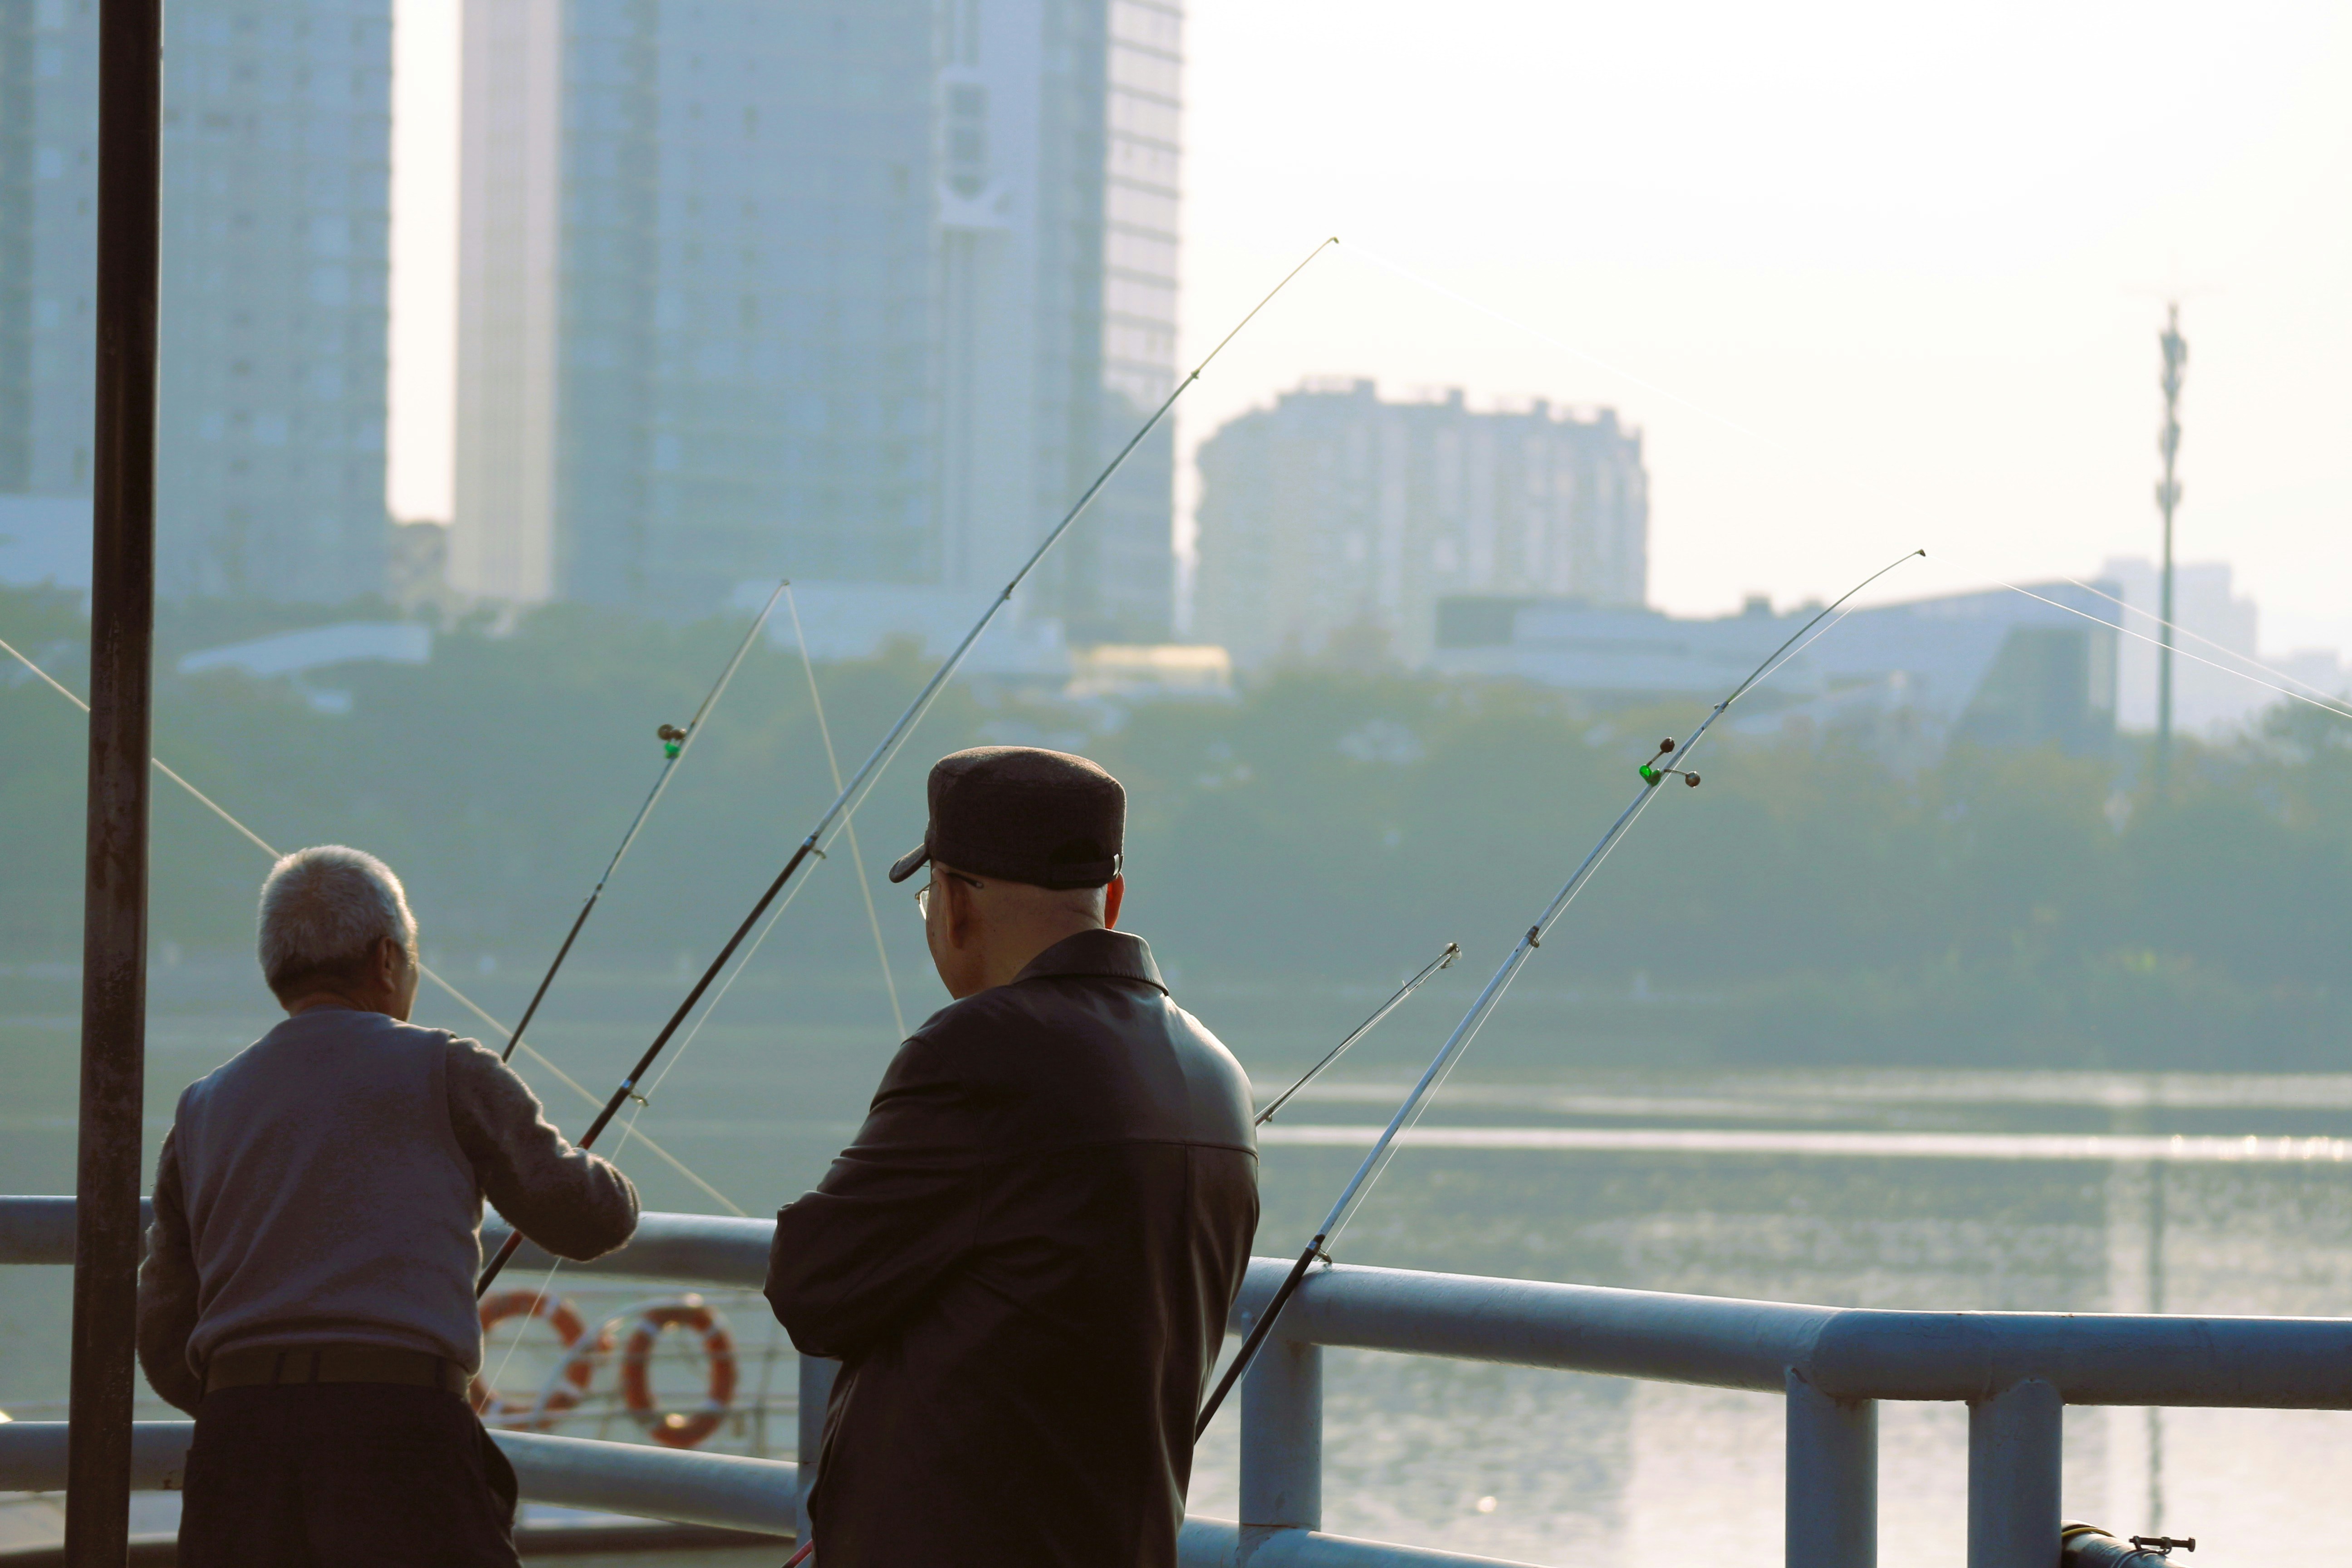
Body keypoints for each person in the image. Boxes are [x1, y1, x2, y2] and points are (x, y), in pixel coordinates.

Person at [766, 746, 1259, 1568]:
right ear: (1113, 898)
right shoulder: (1216, 1073)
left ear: (954, 901)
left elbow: (815, 1289)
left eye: (929, 895)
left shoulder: (981, 1049)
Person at [138, 845, 640, 1568]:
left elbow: (163, 1331)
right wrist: (618, 1187)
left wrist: (265, 1401)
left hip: (238, 1449)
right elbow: (587, 1218)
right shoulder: (449, 1068)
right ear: (385, 959)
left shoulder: (203, 1107)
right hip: (398, 1439)